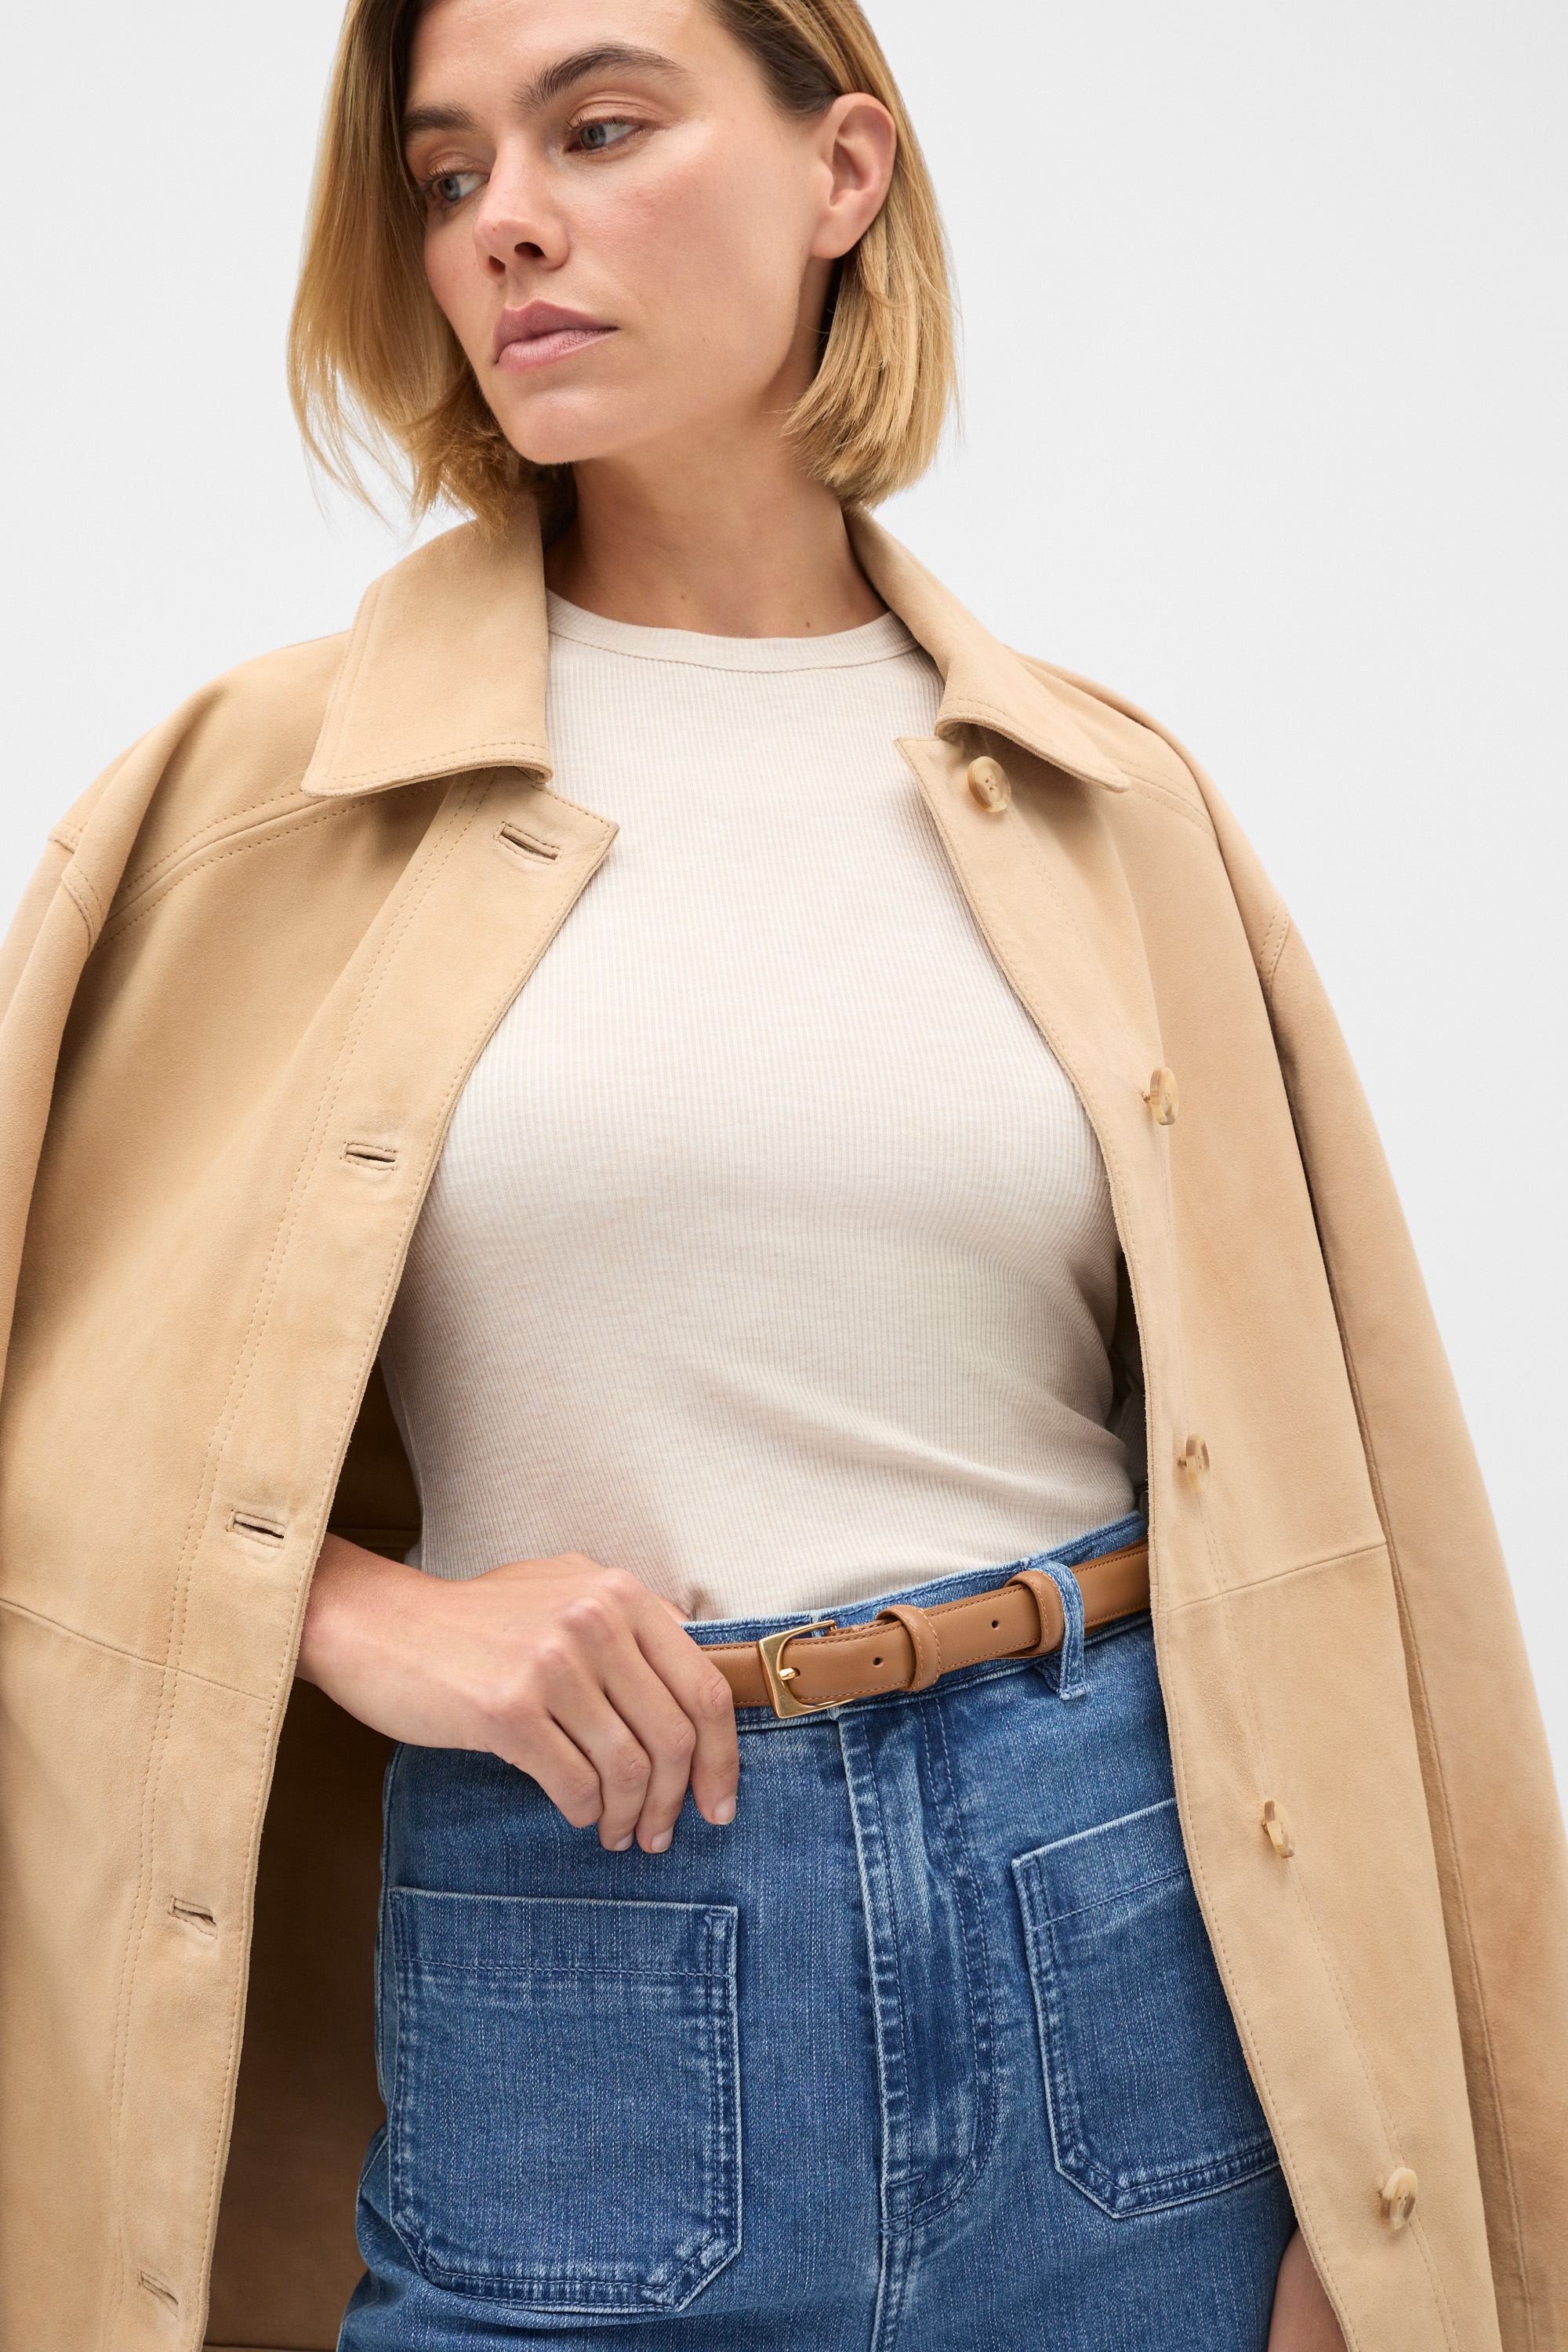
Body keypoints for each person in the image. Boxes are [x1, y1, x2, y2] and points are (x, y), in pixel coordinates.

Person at [0, 1, 1562, 2347]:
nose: (507, 221)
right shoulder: (257, 806)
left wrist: (1387, 2183)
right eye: (448, 174)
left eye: (601, 126)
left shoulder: (1110, 807)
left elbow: (1356, 1529)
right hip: (580, 1939)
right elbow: (51, 1426)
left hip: (1123, 1934)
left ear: (845, 172)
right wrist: (349, 1608)